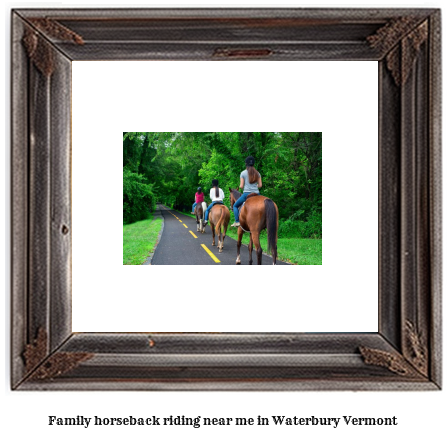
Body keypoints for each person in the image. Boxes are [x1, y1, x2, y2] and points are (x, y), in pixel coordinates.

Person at [231, 156, 262, 227]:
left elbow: (241, 186)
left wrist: (245, 186)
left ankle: (237, 221)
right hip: (257, 194)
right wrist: (255, 186)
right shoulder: (258, 173)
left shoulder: (243, 173)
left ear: (246, 164)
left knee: (235, 206)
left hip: (246, 194)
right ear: (253, 164)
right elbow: (260, 185)